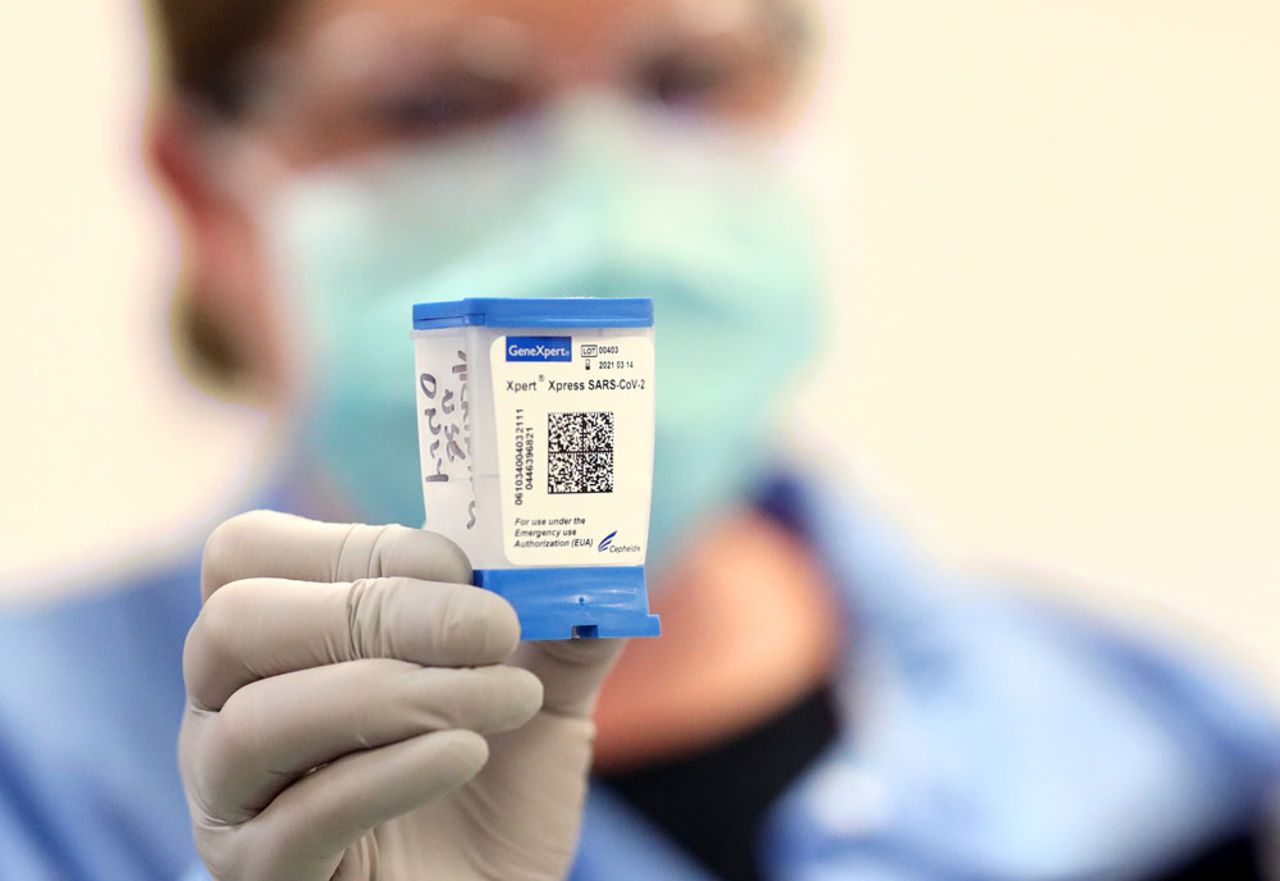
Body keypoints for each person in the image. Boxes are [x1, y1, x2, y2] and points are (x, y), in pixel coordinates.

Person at [1, 0, 1277, 879]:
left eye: (688, 75)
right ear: (207, 187)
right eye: (437, 101)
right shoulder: (35, 769)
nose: (600, 203)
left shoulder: (1172, 748)